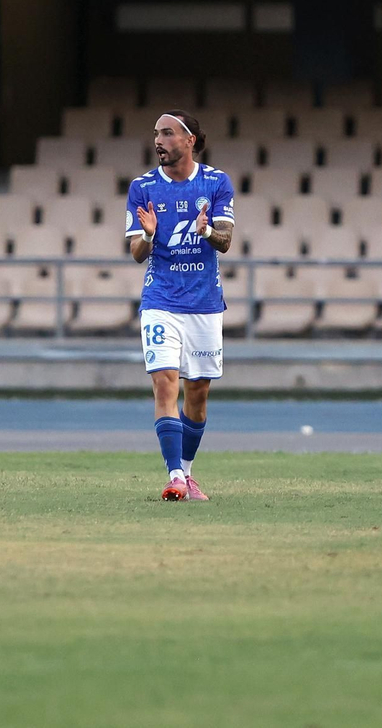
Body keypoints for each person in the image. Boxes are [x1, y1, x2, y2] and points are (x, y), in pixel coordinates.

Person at [123, 111, 235, 502]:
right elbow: (137, 252)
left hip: (204, 303)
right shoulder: (142, 187)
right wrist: (149, 236)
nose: (159, 140)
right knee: (164, 383)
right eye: (156, 133)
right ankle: (173, 476)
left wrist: (204, 228)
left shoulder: (216, 182)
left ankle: (187, 474)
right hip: (161, 300)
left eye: (168, 133)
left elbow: (224, 241)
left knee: (198, 393)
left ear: (190, 140)